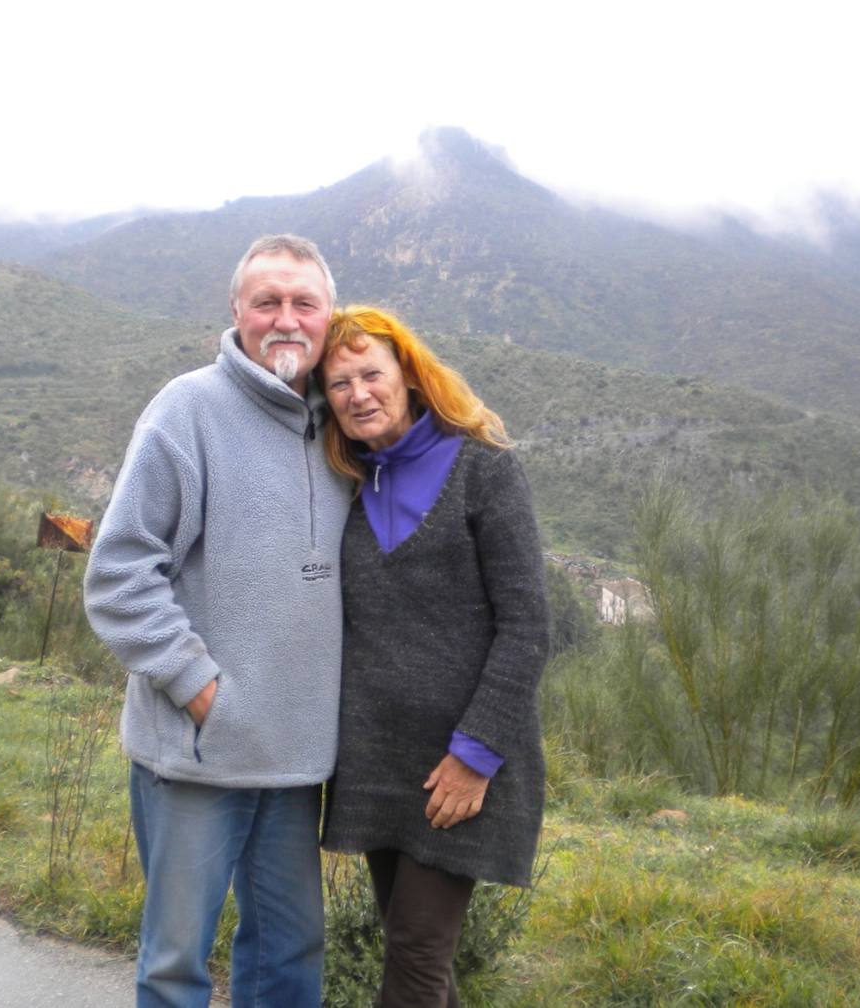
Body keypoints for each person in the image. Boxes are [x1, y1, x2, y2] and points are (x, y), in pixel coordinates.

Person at [83, 234, 353, 1008]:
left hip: (297, 760)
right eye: (267, 302)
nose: (286, 320)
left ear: (329, 316)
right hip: (199, 753)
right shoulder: (187, 410)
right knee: (176, 965)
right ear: (236, 310)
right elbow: (119, 573)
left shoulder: (340, 424)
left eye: (305, 303)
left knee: (288, 959)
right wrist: (204, 691)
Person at [317, 305, 550, 1007]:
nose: (358, 394)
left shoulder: (484, 471)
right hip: (379, 763)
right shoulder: (349, 487)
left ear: (410, 378)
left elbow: (528, 625)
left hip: (461, 766)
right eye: (338, 384)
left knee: (416, 958)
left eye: (371, 374)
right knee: (414, 949)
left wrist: (476, 753)